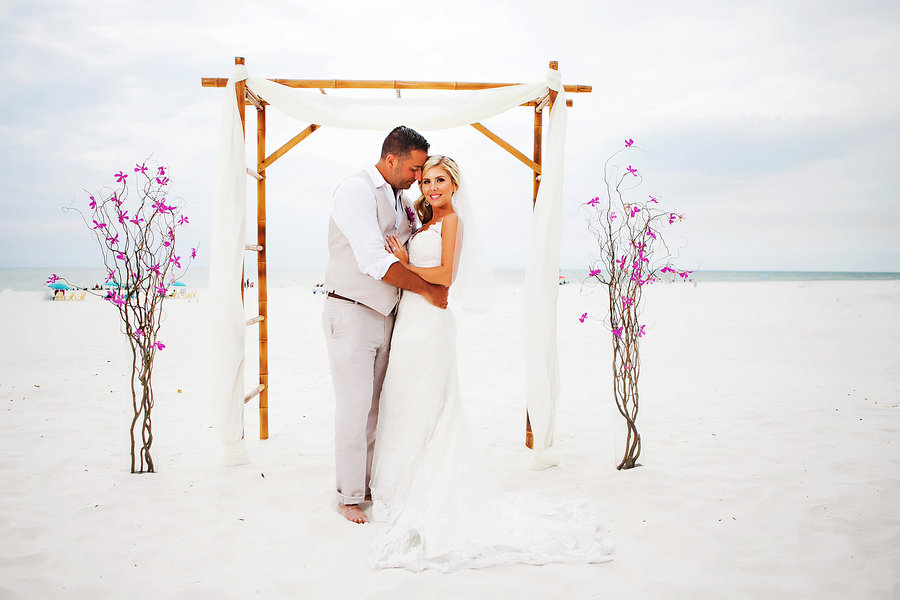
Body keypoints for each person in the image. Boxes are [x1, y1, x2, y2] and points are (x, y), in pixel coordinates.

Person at [369, 155, 614, 572]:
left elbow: (446, 276)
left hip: (431, 325)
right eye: (426, 181)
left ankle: (422, 488)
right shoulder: (424, 223)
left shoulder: (452, 224)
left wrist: (403, 264)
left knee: (430, 403)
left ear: (455, 185)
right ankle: (400, 485)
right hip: (411, 319)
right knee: (405, 400)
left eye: (440, 180)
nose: (431, 188)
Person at [323, 126, 449, 525]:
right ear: (391, 159)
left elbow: (410, 249)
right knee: (355, 407)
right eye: (414, 169)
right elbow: (374, 262)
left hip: (390, 316)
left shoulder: (401, 200)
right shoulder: (355, 190)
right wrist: (428, 292)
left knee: (378, 407)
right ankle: (347, 496)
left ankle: (366, 485)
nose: (418, 178)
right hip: (352, 310)